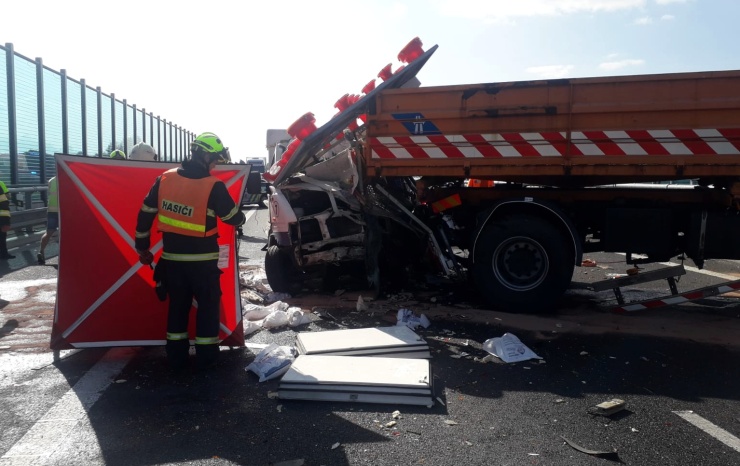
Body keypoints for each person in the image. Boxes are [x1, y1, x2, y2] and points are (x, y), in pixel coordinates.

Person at [134, 132, 245, 371]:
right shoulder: (213, 186)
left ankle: (176, 357)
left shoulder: (164, 179)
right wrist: (239, 212)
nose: (215, 165)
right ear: (205, 156)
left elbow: (145, 213)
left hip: (172, 262)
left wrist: (142, 247)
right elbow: (233, 218)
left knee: (177, 308)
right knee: (208, 309)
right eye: (214, 160)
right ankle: (207, 358)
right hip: (203, 264)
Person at [37, 176, 58, 265]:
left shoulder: (51, 180)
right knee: (67, 233)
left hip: (51, 210)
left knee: (49, 232)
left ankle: (41, 252)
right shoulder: (67, 180)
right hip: (63, 211)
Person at [0, 181, 14, 260]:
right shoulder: (0, 183)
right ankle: (4, 254)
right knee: (2, 235)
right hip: (2, 214)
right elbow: (8, 196)